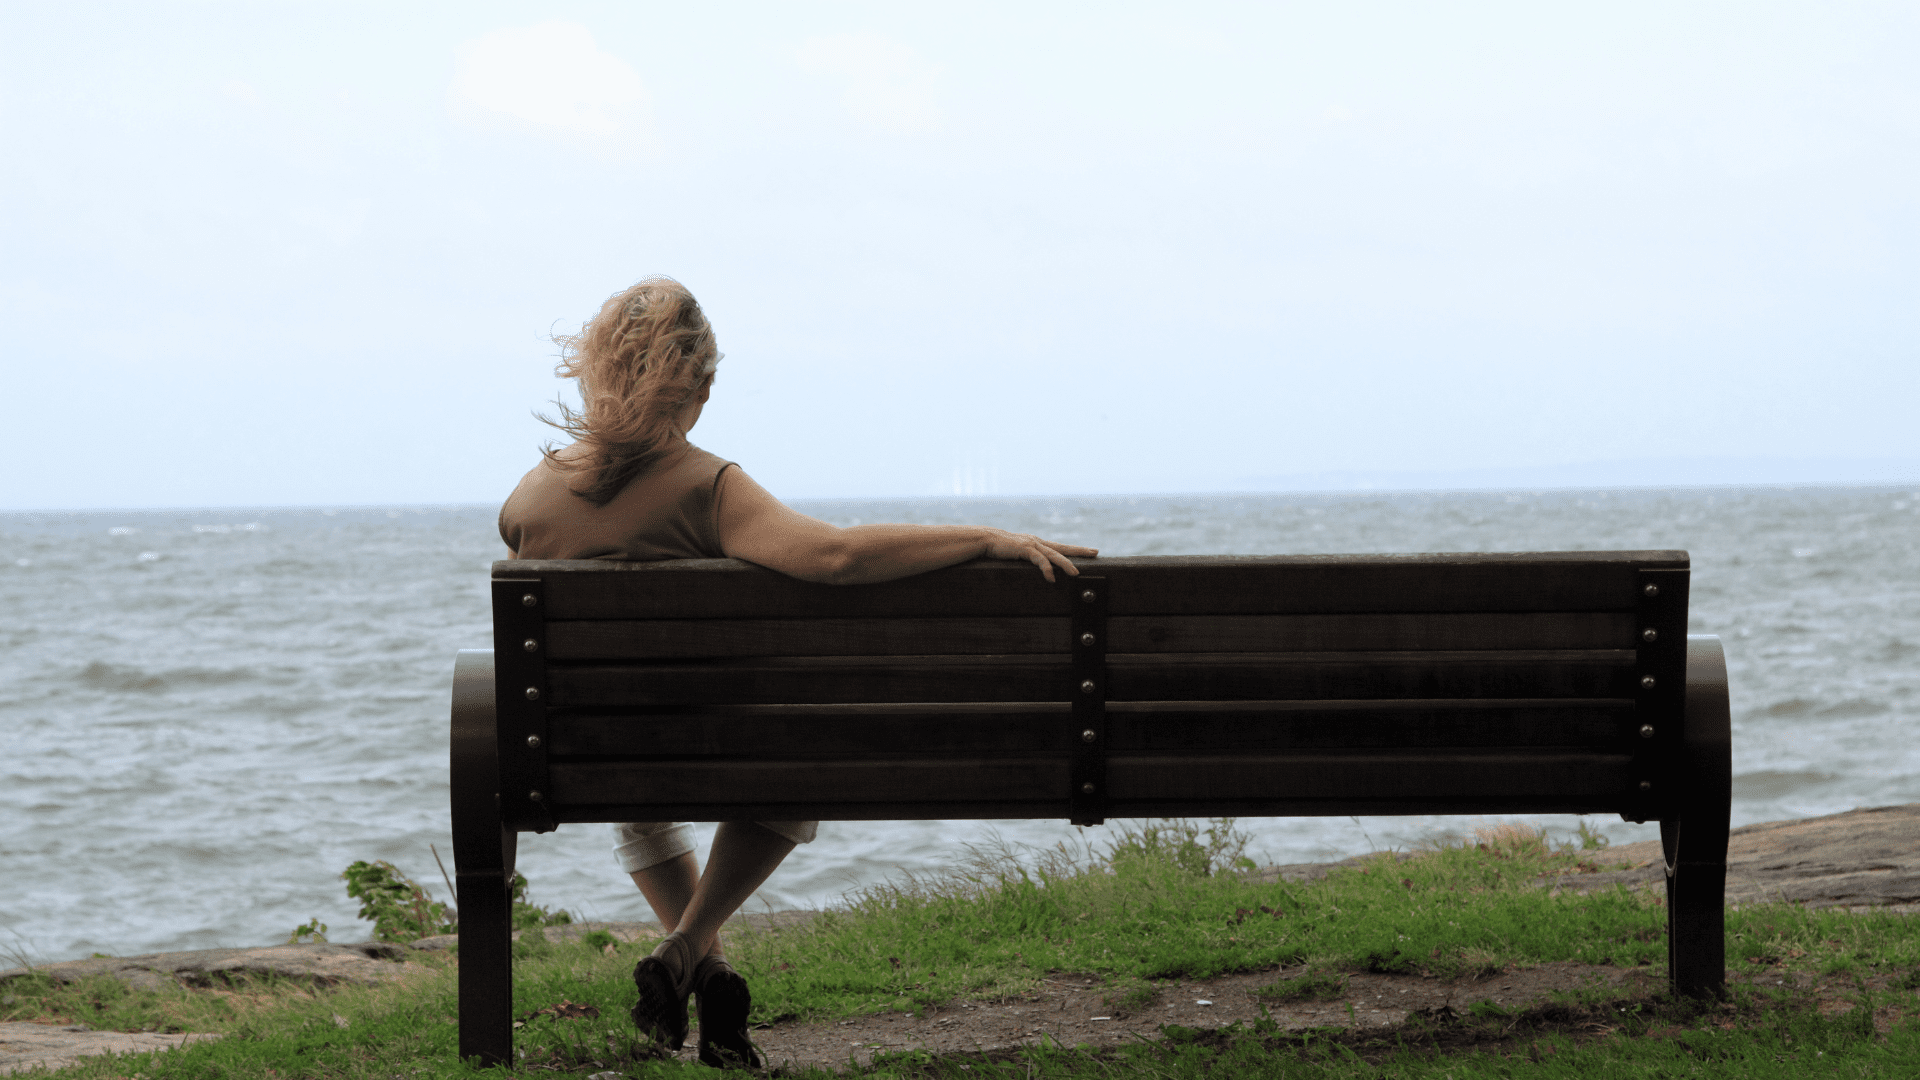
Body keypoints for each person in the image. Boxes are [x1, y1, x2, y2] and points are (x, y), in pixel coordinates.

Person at [497, 277, 1097, 1068]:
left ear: (595, 372)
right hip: (731, 753)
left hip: (590, 758)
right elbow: (834, 556)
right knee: (795, 766)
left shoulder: (529, 499)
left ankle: (705, 969)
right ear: (703, 382)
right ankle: (686, 950)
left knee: (633, 776)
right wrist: (983, 537)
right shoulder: (707, 486)